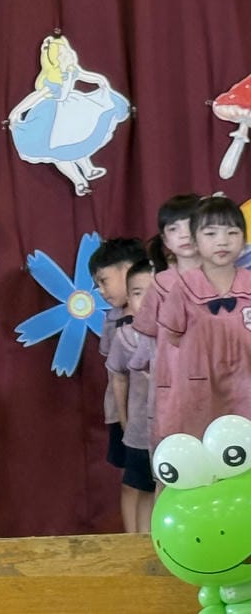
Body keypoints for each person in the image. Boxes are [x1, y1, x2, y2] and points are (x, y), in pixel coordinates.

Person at [159, 195, 251, 439]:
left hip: (246, 387)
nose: (222, 241)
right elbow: (172, 337)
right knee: (205, 443)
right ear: (195, 241)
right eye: (211, 233)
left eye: (232, 232)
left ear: (244, 240)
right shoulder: (183, 289)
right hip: (201, 389)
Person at [7, 35, 130, 196]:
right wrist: (17, 111)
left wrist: (100, 80)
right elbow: (36, 97)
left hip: (71, 109)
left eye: (67, 52)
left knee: (79, 139)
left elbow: (85, 75)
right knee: (60, 152)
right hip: (51, 119)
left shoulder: (72, 71)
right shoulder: (54, 81)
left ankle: (87, 169)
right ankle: (78, 181)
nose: (68, 55)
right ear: (55, 61)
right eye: (62, 55)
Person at [131, 194, 201, 451]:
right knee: (179, 451)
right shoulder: (162, 283)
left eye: (192, 224)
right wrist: (140, 364)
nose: (184, 234)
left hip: (223, 383)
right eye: (174, 228)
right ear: (165, 240)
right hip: (176, 387)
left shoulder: (229, 278)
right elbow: (147, 335)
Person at [88, 237, 148, 530]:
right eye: (97, 285)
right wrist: (123, 419)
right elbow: (115, 374)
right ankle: (131, 540)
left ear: (128, 269)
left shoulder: (161, 313)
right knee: (131, 481)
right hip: (124, 414)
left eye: (103, 281)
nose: (101, 290)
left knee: (153, 483)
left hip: (154, 415)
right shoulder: (112, 319)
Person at [105, 260, 156, 531]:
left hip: (174, 430)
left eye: (153, 292)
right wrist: (124, 420)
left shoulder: (179, 333)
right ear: (128, 296)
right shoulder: (124, 336)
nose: (146, 300)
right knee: (143, 489)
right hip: (140, 432)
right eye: (137, 293)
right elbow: (119, 377)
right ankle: (141, 545)